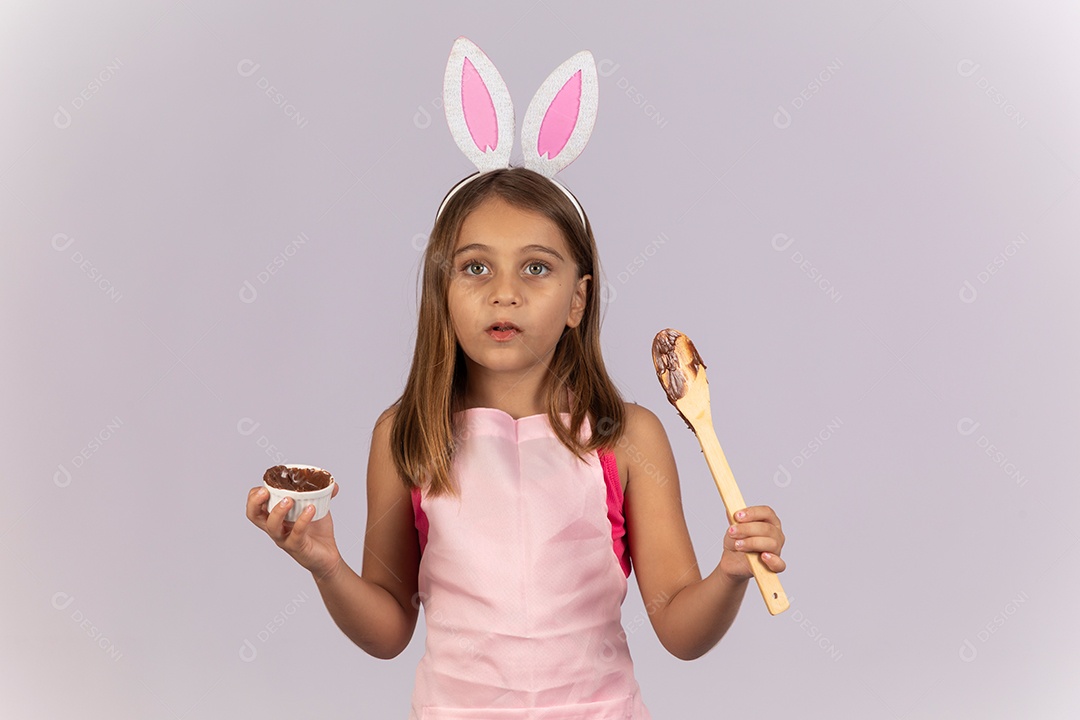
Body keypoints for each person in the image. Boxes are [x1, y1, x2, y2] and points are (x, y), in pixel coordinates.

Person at [245, 37, 786, 720]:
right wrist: (323, 564)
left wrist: (733, 574)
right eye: (475, 268)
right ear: (443, 291)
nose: (505, 293)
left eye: (536, 267)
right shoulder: (405, 435)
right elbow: (388, 629)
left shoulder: (630, 438)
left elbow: (679, 628)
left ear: (578, 300)